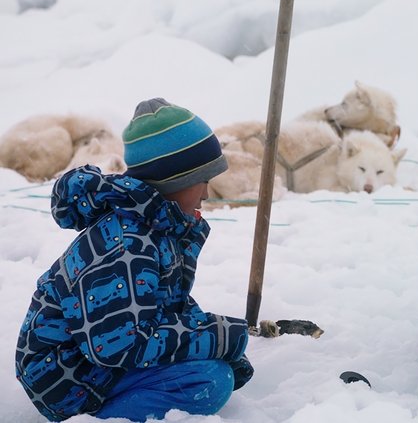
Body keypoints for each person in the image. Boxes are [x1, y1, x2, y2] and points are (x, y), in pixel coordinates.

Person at [15, 98, 254, 421]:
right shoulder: (128, 245)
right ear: (175, 180)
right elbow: (119, 344)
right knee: (208, 382)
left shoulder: (156, 228)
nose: (207, 195)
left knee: (212, 370)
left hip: (90, 364)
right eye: (203, 181)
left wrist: (218, 343)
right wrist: (217, 338)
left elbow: (165, 305)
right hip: (63, 378)